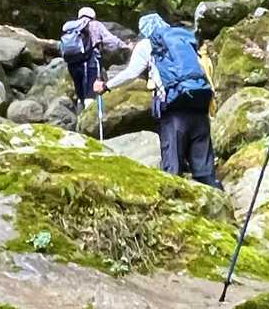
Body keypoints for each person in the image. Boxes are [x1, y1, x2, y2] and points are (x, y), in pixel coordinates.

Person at [94, 12, 223, 189]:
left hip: (174, 108)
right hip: (200, 103)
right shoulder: (183, 39)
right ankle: (216, 197)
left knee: (172, 171)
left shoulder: (149, 44)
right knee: (205, 171)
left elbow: (131, 73)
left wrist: (106, 86)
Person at [59, 6, 124, 111]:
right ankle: (90, 116)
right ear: (93, 15)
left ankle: (80, 113)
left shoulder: (70, 27)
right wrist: (125, 46)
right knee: (91, 91)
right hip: (90, 61)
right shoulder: (95, 24)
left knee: (80, 91)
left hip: (72, 62)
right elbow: (110, 40)